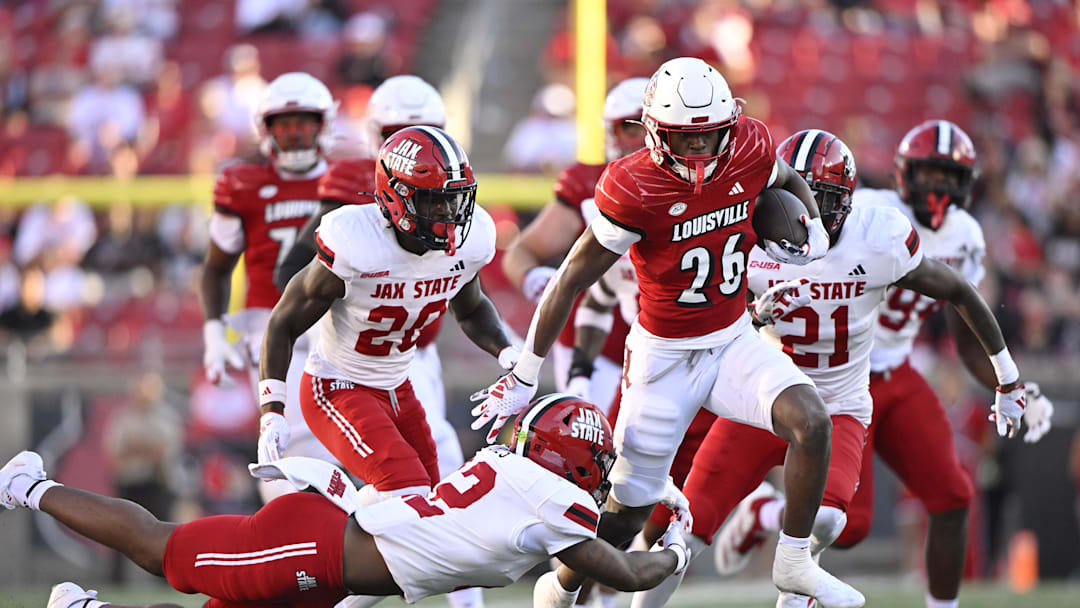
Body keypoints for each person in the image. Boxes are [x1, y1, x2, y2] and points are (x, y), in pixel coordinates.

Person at [472, 57, 860, 607]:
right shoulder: (633, 185)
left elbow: (785, 177)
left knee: (812, 420)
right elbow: (567, 283)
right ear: (655, 132)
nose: (701, 152)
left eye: (710, 138)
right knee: (627, 512)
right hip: (663, 360)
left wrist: (813, 227)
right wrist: (526, 371)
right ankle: (560, 589)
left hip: (731, 341)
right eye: (686, 140)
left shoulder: (748, 145)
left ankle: (794, 564)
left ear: (729, 126)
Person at [630, 129, 1030, 608]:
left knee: (834, 522)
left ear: (843, 201)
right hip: (761, 398)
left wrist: (1007, 377)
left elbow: (960, 292)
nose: (801, 214)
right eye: (789, 197)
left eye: (815, 198)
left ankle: (793, 588)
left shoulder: (878, 237)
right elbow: (703, 324)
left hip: (838, 406)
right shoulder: (750, 243)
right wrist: (754, 318)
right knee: (686, 535)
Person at [2, 396, 693, 608]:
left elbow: (571, 576)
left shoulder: (522, 480)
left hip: (333, 559)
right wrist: (674, 549)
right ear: (568, 458)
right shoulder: (552, 501)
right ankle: (30, 486)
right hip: (319, 547)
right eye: (593, 466)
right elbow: (625, 575)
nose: (597, 479)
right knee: (163, 551)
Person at [822, 120, 1054, 608]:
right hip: (842, 376)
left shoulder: (964, 236)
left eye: (950, 178)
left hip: (899, 374)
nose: (939, 188)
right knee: (847, 527)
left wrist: (1012, 386)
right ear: (906, 174)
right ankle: (769, 513)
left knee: (952, 496)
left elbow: (966, 340)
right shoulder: (869, 212)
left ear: (968, 185)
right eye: (931, 174)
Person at [258, 125, 519, 509]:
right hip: (337, 386)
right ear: (399, 197)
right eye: (435, 201)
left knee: (435, 501)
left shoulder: (469, 240)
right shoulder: (357, 243)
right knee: (406, 491)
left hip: (399, 385)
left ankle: (337, 522)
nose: (450, 213)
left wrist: (507, 354)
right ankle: (327, 546)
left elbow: (473, 307)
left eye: (455, 200)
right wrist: (272, 410)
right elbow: (283, 322)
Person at [199, 72, 341, 502]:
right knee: (290, 440)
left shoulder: (348, 180)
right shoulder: (242, 185)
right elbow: (216, 267)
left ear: (324, 125)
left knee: (344, 437)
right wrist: (213, 332)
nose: (296, 137)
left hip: (338, 322)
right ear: (266, 130)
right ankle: (292, 535)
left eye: (304, 125)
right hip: (273, 325)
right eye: (286, 126)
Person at [501, 77, 648, 415]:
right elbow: (522, 252)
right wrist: (533, 277)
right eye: (625, 127)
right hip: (598, 351)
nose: (626, 139)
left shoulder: (700, 186)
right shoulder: (590, 186)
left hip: (670, 343)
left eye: (633, 127)